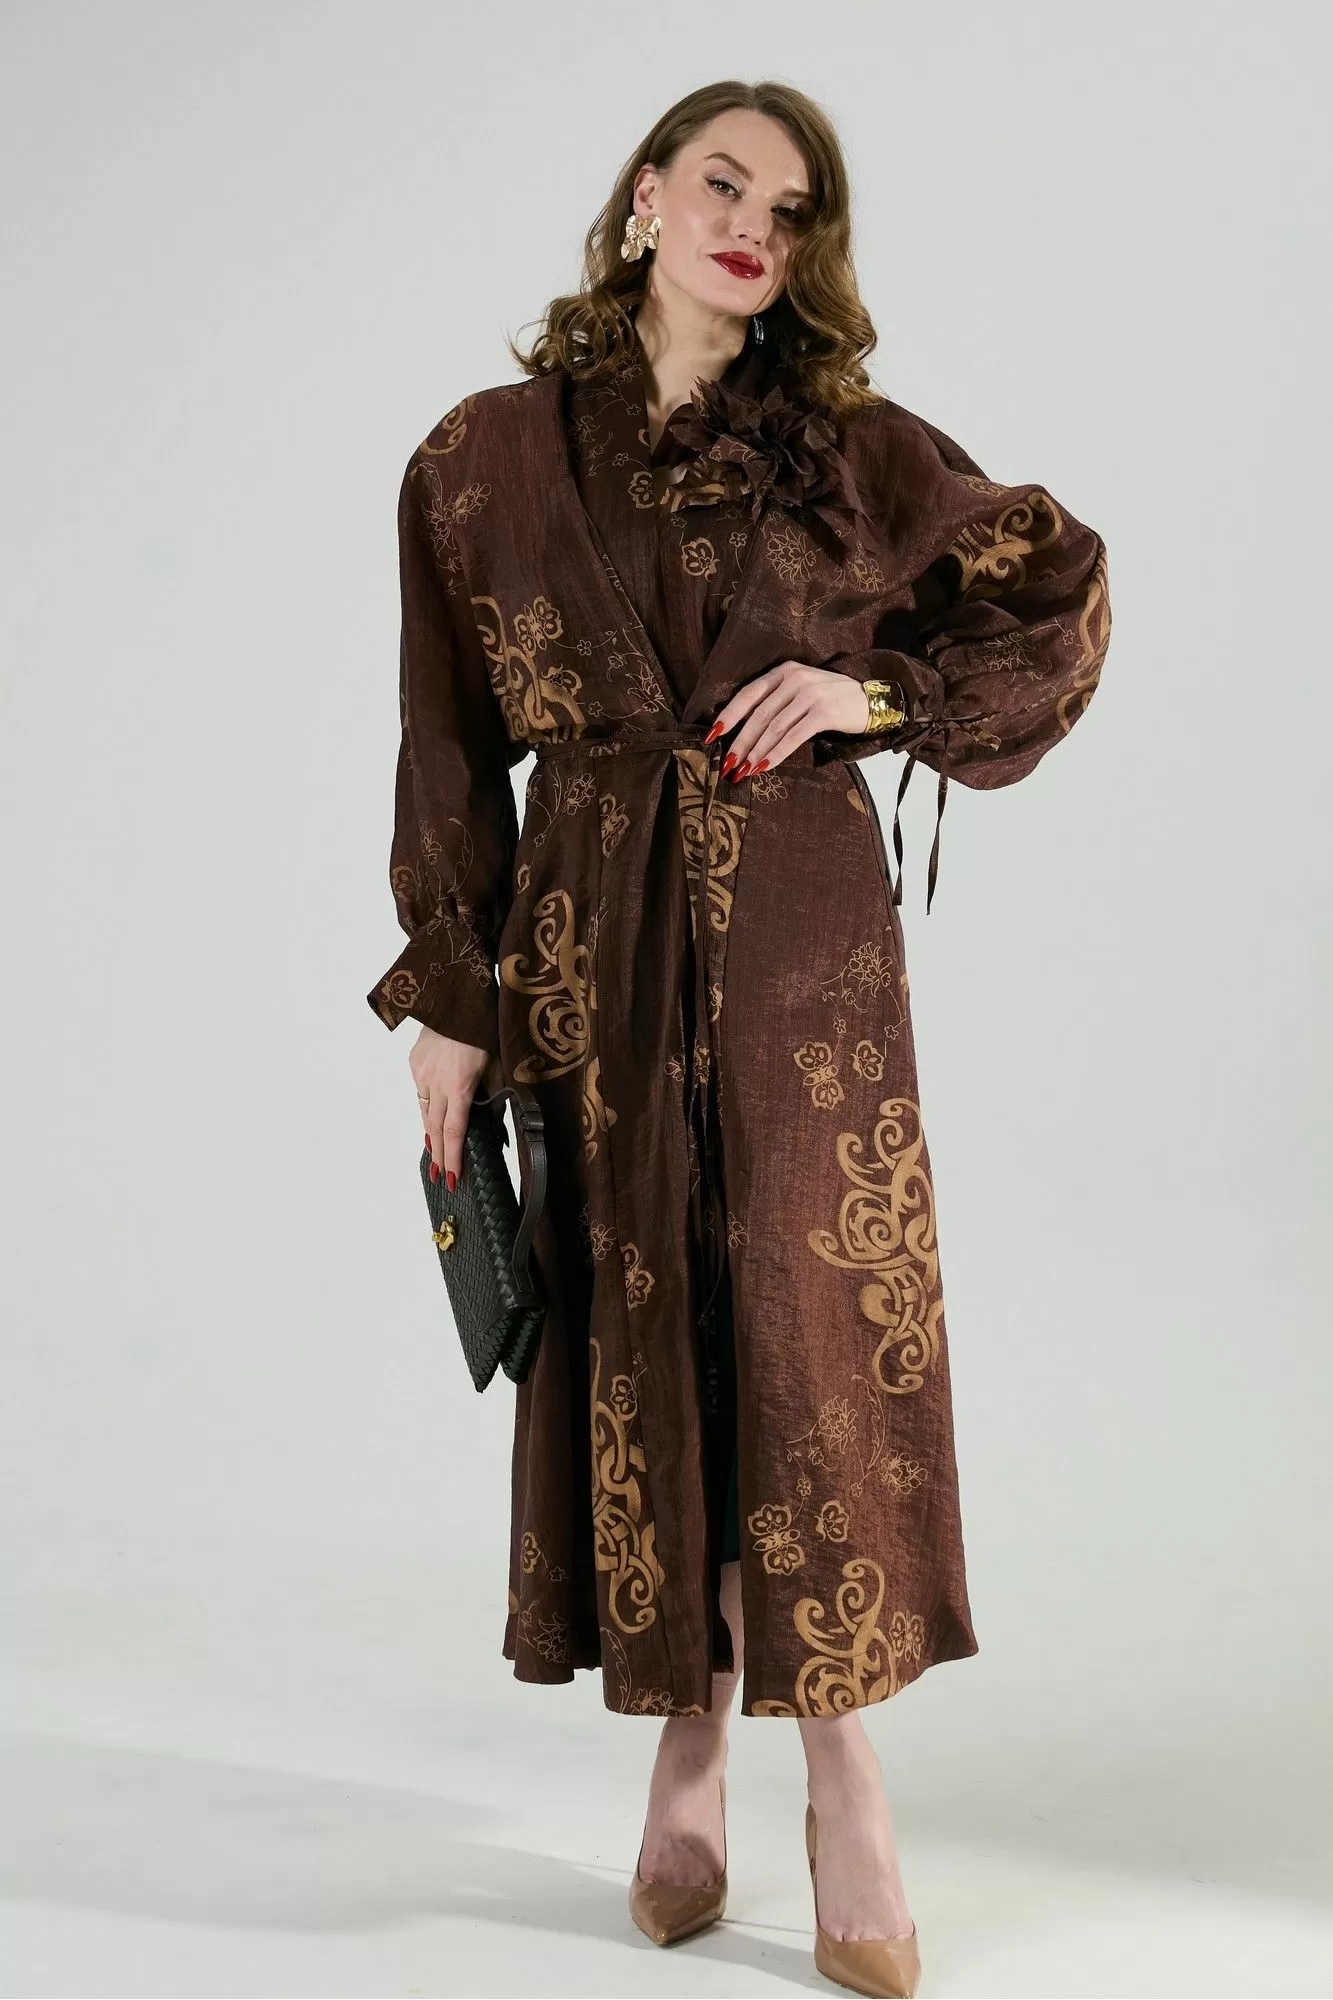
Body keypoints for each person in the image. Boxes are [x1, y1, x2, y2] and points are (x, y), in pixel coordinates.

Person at [367, 78, 1110, 2000]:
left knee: (804, 1327)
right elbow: (447, 742)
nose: (751, 228)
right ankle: (687, 1741)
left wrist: (874, 694)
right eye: (721, 183)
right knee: (642, 1324)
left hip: (797, 958)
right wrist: (449, 1002)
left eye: (790, 211)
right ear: (643, 197)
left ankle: (843, 1767)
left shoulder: (852, 453)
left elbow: (1058, 593)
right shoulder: (477, 463)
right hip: (587, 952)